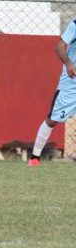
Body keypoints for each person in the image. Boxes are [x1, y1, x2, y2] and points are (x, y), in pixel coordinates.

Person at [28, 18, 76, 166]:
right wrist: (68, 63)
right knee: (52, 120)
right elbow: (60, 47)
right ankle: (35, 157)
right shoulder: (75, 24)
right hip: (71, 82)